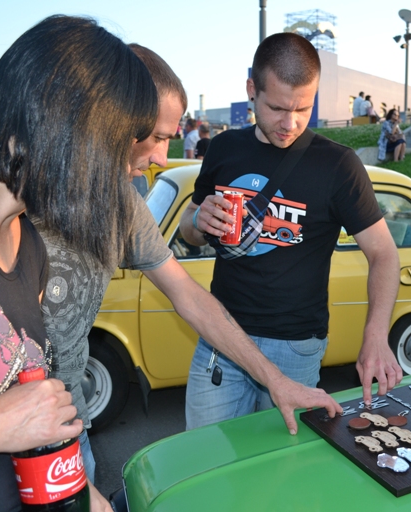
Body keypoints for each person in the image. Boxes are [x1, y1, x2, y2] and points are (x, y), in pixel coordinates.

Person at [39, 43, 340, 485]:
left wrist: (275, 380)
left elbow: (190, 298)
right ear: (110, 117)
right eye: (158, 137)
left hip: (67, 432)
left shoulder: (124, 204)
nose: (163, 157)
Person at [0, 15, 159, 512]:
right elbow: (7, 420)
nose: (123, 174)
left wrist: (88, 496)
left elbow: (31, 418)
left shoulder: (29, 247)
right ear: (61, 125)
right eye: (113, 151)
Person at [179, 32, 402, 429]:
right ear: (252, 89)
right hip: (223, 339)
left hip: (295, 348)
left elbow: (384, 253)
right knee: (205, 460)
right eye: (278, 108)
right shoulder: (224, 148)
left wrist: (376, 334)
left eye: (304, 108)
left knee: (281, 472)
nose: (291, 123)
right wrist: (198, 221)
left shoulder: (339, 165)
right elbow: (188, 229)